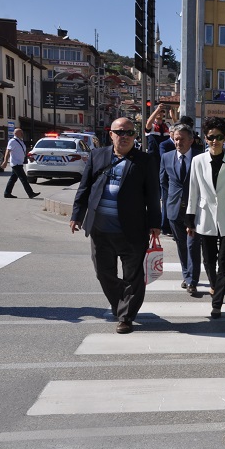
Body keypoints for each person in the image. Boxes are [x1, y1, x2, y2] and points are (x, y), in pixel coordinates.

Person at [70, 118, 161, 334]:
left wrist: (155, 224)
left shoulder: (144, 161)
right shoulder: (97, 155)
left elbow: (152, 195)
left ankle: (126, 316)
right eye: (120, 132)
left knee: (133, 277)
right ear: (111, 134)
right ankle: (123, 300)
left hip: (132, 230)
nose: (125, 136)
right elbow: (84, 188)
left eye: (130, 133)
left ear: (135, 136)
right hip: (100, 230)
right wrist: (76, 215)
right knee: (103, 273)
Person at [186, 117, 225, 318]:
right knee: (209, 260)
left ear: (224, 139)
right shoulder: (197, 161)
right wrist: (190, 218)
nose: (215, 141)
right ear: (205, 138)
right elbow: (193, 190)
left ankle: (217, 301)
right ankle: (214, 285)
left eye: (219, 137)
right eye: (211, 137)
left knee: (224, 261)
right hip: (205, 217)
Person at [160, 123, 204, 295]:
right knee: (181, 245)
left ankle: (192, 280)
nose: (178, 143)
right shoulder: (167, 157)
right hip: (174, 208)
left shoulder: (200, 158)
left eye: (182, 139)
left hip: (195, 209)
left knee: (193, 244)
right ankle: (187, 276)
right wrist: (169, 200)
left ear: (191, 140)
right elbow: (163, 181)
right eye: (176, 139)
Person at [1, 128, 39, 199]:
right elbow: (7, 151)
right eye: (21, 133)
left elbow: (21, 152)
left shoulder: (20, 141)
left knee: (13, 179)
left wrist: (29, 158)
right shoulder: (12, 141)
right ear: (16, 134)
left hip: (19, 162)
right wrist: (5, 161)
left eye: (22, 133)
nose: (22, 134)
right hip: (16, 163)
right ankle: (30, 193)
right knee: (24, 179)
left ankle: (7, 193)